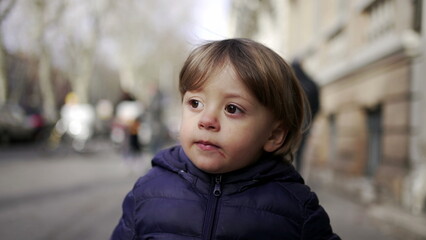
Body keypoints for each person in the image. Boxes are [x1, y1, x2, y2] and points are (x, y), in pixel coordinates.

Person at [111, 38, 340, 240]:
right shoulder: (149, 191)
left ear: (274, 135)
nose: (206, 120)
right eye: (195, 103)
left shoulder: (295, 209)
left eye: (232, 108)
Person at [292, 59, 320, 172]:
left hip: (292, 124)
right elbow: (318, 106)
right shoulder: (312, 83)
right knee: (301, 151)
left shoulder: (293, 85)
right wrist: (311, 120)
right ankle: (298, 173)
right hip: (306, 124)